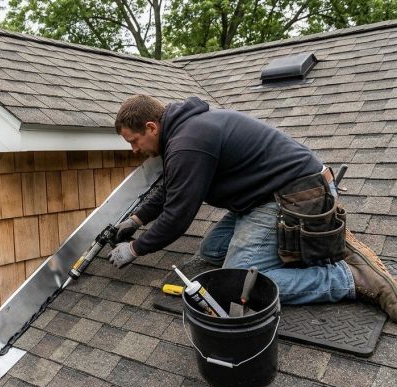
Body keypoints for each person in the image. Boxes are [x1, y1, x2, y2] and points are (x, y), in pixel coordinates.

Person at [107, 94, 397, 320]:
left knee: (235, 281)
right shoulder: (186, 133)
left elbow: (177, 216)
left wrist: (135, 249)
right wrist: (135, 220)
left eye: (134, 141)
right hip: (267, 197)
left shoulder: (187, 142)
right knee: (211, 251)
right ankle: (313, 240)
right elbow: (171, 187)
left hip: (295, 196)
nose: (134, 150)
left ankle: (346, 276)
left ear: (151, 127)